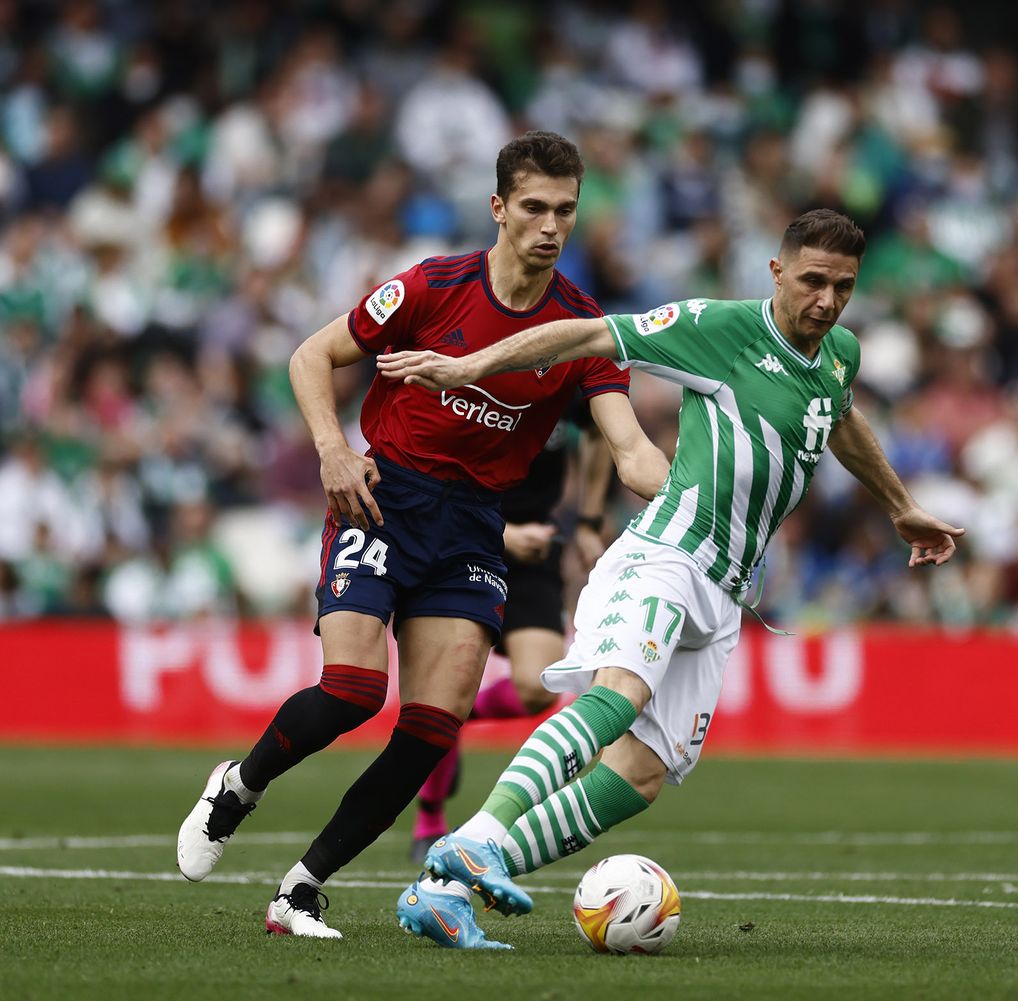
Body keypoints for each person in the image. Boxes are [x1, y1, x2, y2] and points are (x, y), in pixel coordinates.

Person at [376, 208, 965, 950]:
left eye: (843, 286)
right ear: (777, 271)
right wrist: (469, 366)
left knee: (642, 773)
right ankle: (482, 832)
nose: (826, 300)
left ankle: (444, 887)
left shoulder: (839, 351)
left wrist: (902, 505)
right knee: (620, 693)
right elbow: (592, 336)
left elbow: (837, 418)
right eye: (812, 281)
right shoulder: (719, 330)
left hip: (726, 592)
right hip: (667, 554)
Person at [175, 131, 669, 942]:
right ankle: (238, 784)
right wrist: (334, 451)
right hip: (384, 497)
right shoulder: (433, 287)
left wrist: (692, 493)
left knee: (432, 729)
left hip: (476, 525)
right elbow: (311, 355)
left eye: (566, 211)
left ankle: (300, 889)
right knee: (354, 690)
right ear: (499, 207)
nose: (551, 226)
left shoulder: (580, 328)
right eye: (535, 207)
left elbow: (627, 447)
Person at [407, 407, 612, 862]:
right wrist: (503, 532)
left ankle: (457, 718)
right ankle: (430, 823)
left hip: (535, 551)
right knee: (442, 689)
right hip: (460, 544)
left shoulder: (569, 371)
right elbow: (431, 476)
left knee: (540, 687)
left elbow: (601, 430)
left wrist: (588, 520)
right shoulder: (475, 370)